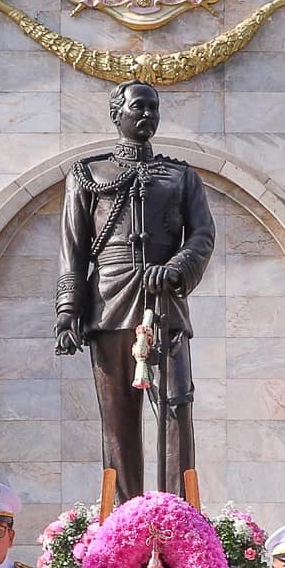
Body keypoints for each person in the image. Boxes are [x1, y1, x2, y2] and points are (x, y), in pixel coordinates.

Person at [53, 78, 217, 502]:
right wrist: (68, 311)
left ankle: (178, 511)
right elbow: (73, 248)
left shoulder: (181, 176)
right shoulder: (88, 174)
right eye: (138, 106)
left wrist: (176, 268)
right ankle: (123, 515)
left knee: (176, 407)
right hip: (109, 302)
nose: (147, 114)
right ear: (117, 114)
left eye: (153, 108)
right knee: (117, 416)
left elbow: (202, 235)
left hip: (164, 302)